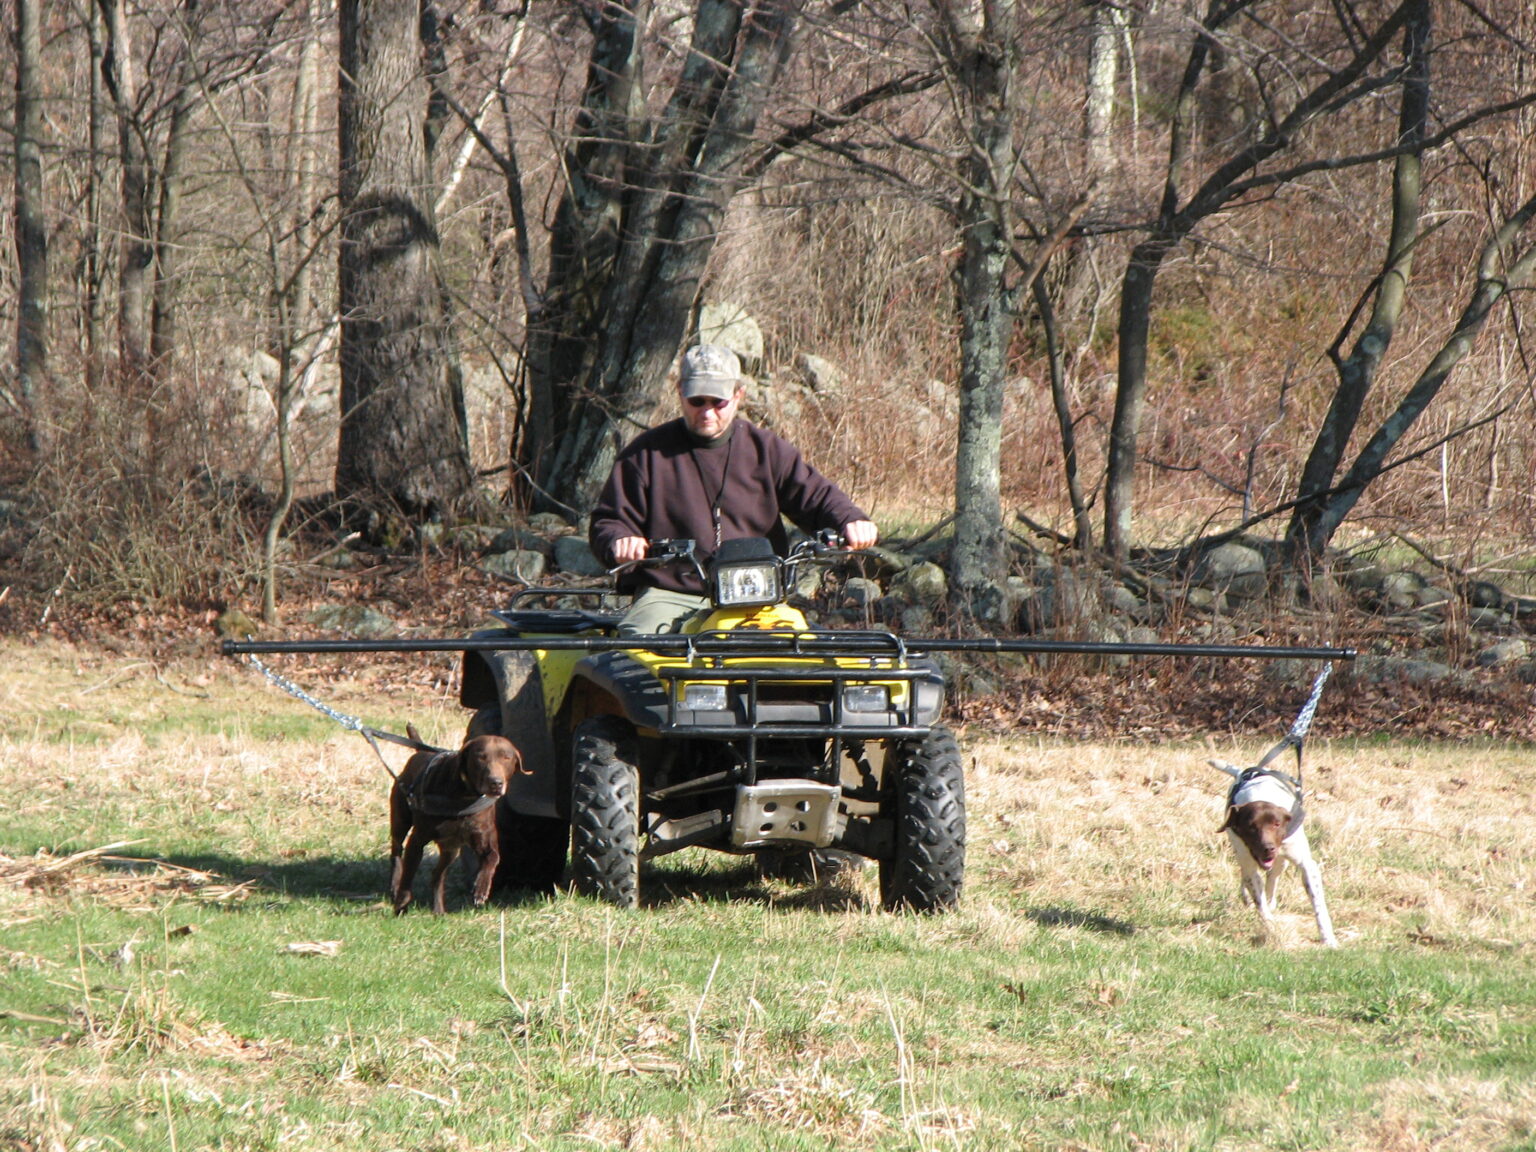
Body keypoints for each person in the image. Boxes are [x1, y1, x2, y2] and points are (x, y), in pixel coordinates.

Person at [590, 344, 878, 636]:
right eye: (697, 400)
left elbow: (816, 497)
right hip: (671, 593)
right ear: (680, 392)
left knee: (804, 658)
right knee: (637, 651)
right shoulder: (645, 454)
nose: (707, 412)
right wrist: (620, 541)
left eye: (718, 402)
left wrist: (849, 520)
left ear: (738, 395)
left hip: (757, 595)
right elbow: (609, 521)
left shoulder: (767, 450)